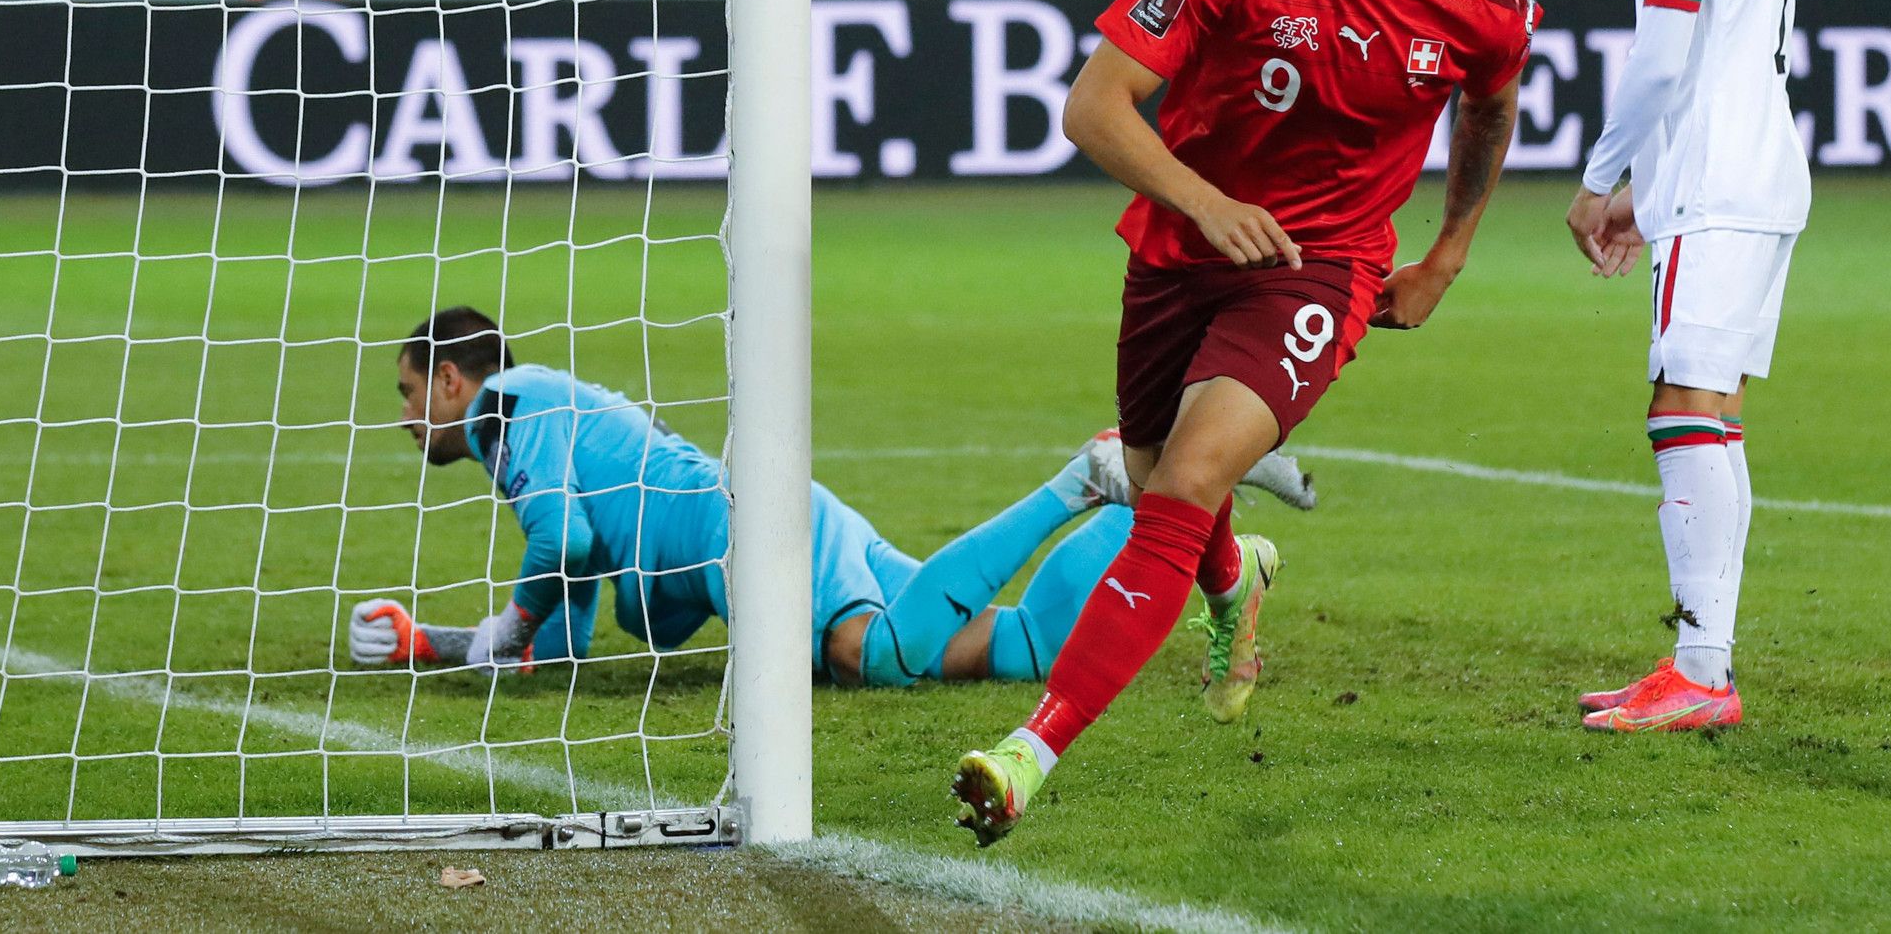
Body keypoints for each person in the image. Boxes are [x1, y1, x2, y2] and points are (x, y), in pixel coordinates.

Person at [952, 0, 1537, 845]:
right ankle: (1236, 579)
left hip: (1325, 265)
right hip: (1184, 245)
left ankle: (1028, 751)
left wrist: (1444, 252)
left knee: (1185, 473)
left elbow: (1490, 108)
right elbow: (1094, 107)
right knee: (1149, 478)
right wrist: (1202, 199)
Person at [350, 307, 1316, 686]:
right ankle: (1181, 508)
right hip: (778, 520)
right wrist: (432, 642)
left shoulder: (508, 410)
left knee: (878, 660)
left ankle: (1080, 477)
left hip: (748, 536)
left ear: (448, 381)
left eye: (405, 390)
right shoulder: (553, 418)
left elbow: (557, 545)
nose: (402, 416)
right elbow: (561, 631)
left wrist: (504, 627)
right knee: (1001, 646)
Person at [1565, 0, 1811, 732]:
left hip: (1716, 184)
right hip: (1746, 175)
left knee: (1683, 412)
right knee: (1704, 414)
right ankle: (1696, 665)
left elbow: (1664, 53)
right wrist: (1644, 193)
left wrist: (1596, 175)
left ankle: (1702, 677)